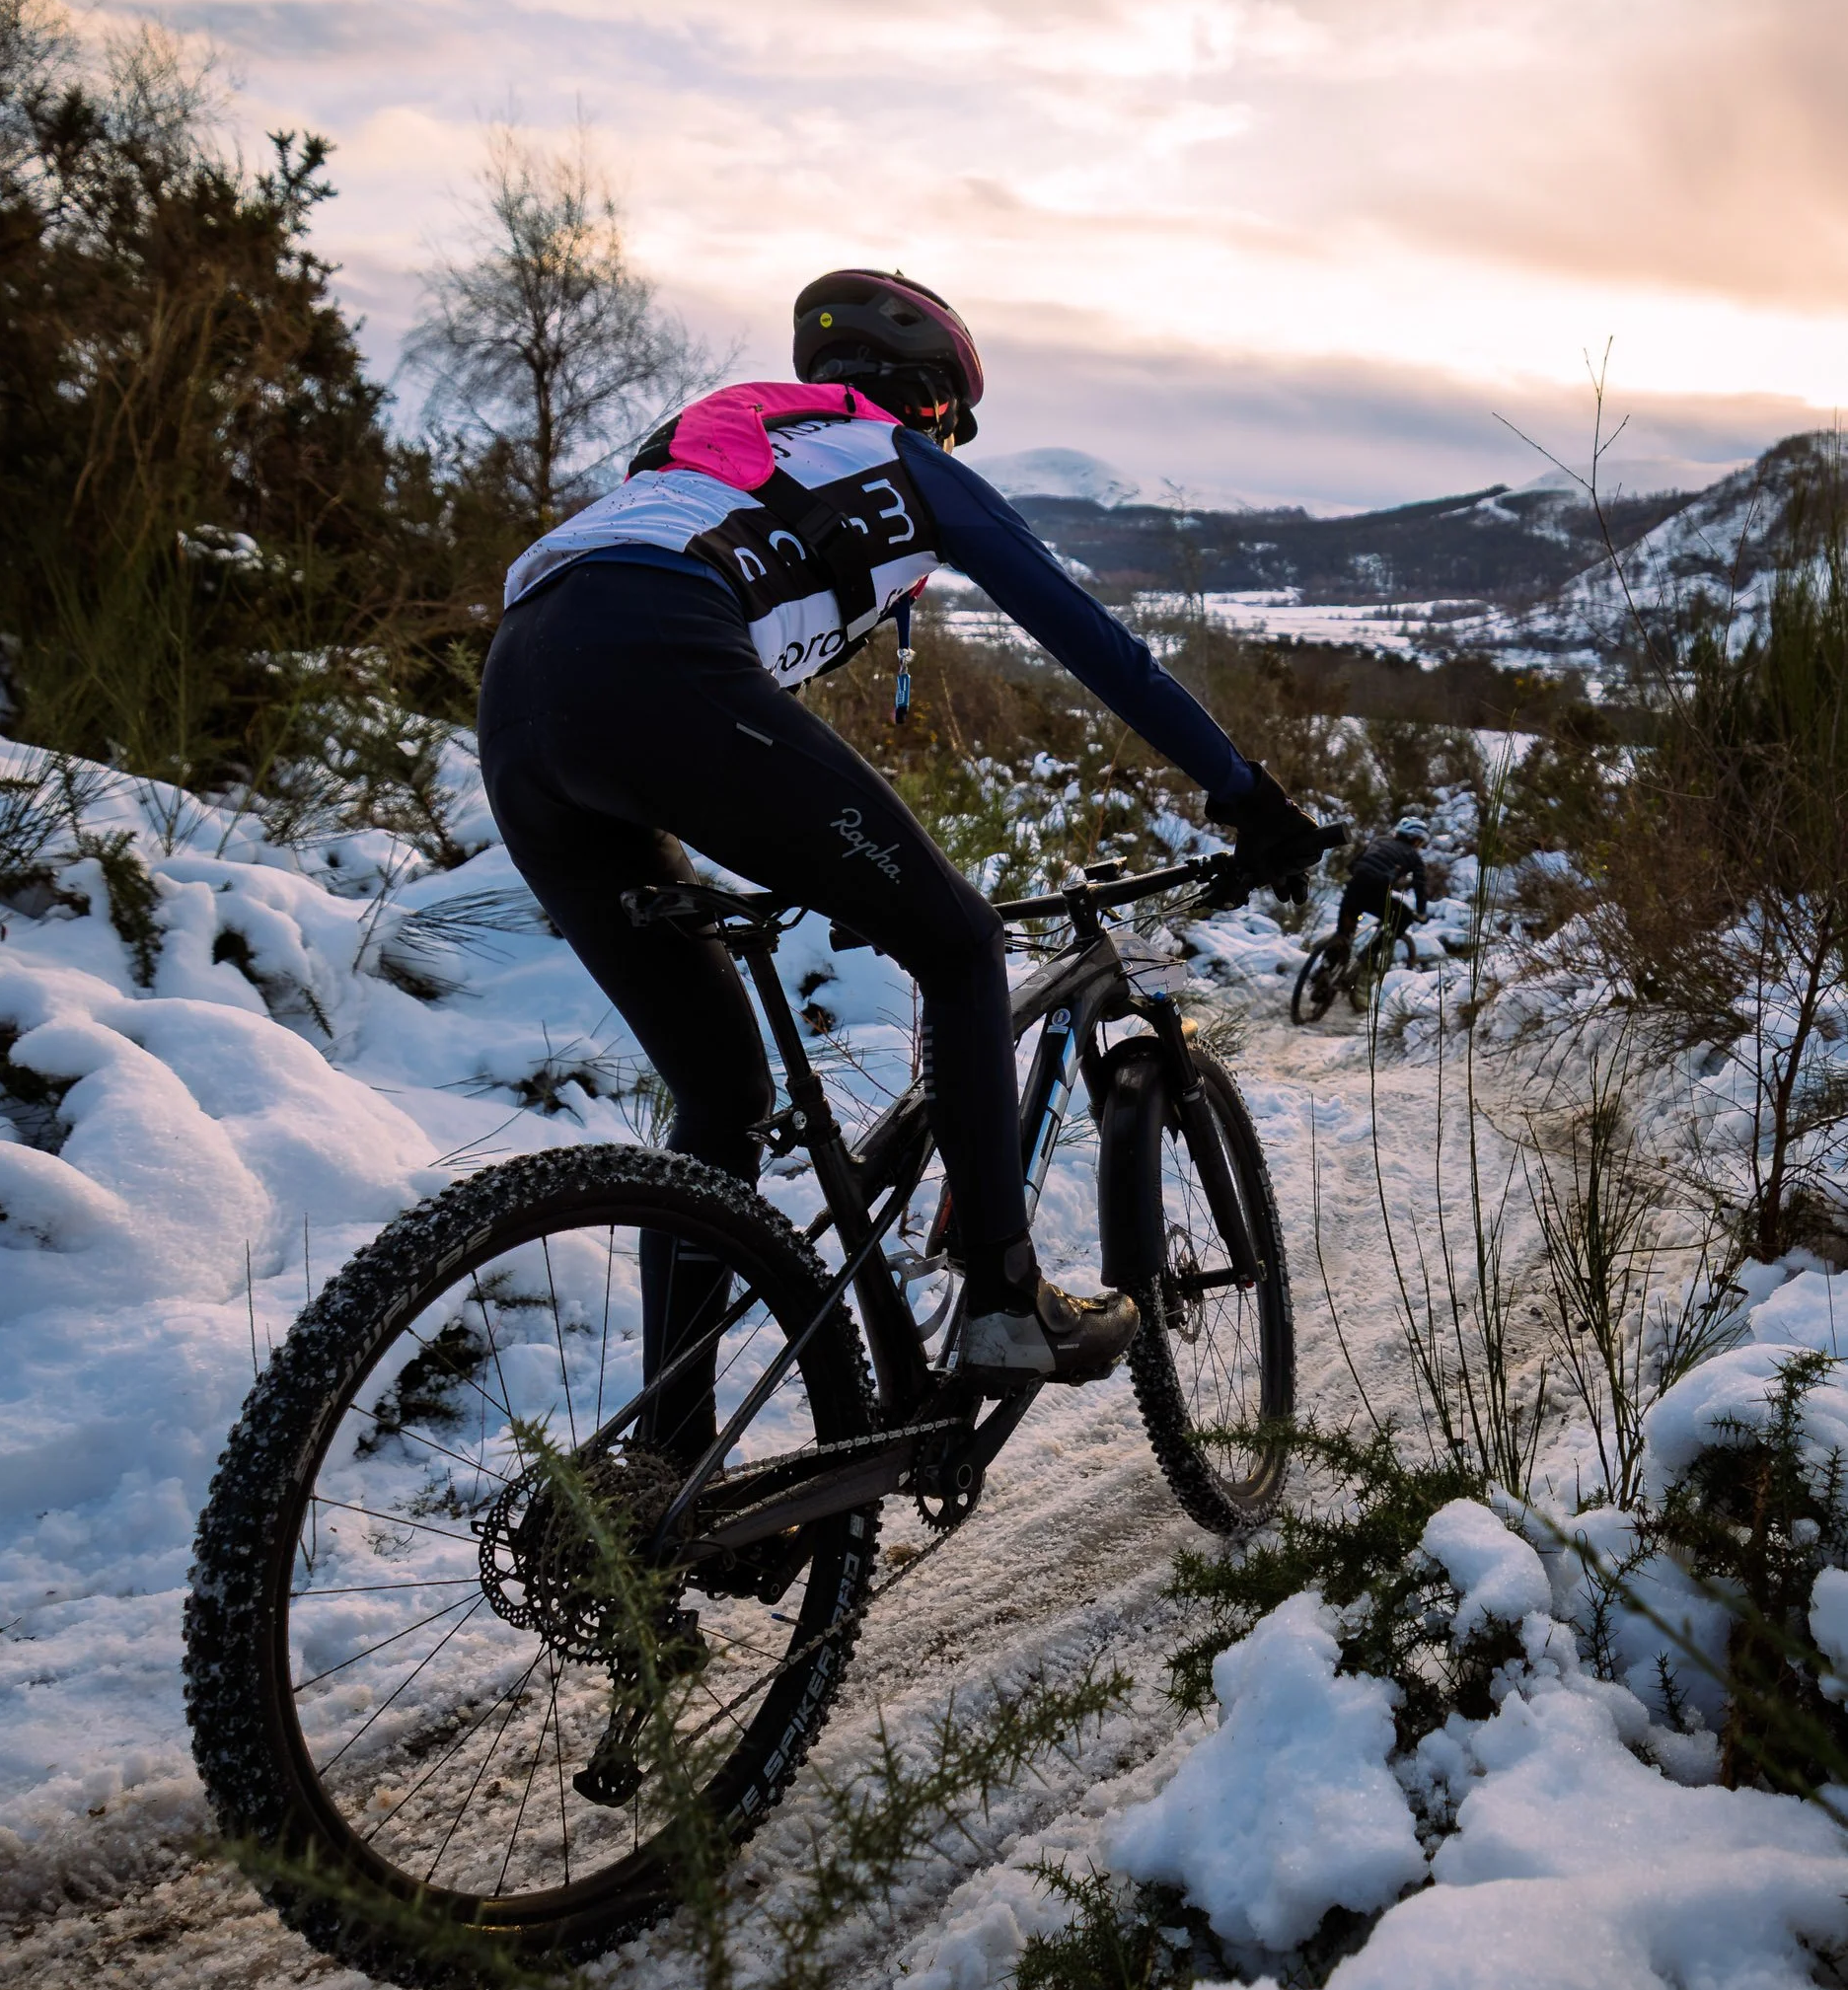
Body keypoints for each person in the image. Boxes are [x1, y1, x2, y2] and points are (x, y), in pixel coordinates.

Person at [477, 267, 1331, 1419]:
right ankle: (1005, 1300)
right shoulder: (906, 459)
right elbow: (1098, 645)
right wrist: (1244, 793)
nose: (949, 441)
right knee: (963, 943)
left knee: (722, 1099)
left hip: (520, 694)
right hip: (660, 660)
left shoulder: (715, 437)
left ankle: (664, 1459)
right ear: (931, 403)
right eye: (952, 423)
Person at [1330, 814, 1430, 958]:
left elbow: (1352, 865)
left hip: (1354, 886)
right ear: (1416, 839)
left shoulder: (1379, 840)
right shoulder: (1415, 857)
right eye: (1420, 843)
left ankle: (1327, 964)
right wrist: (1421, 913)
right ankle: (1369, 955)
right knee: (1404, 918)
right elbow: (1420, 887)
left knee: (1343, 935)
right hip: (1376, 892)